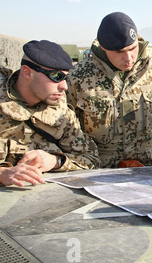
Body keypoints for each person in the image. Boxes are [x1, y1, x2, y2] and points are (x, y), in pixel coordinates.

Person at [66, 12, 152, 168]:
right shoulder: (79, 77)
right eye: (119, 52)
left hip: (149, 168)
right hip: (99, 170)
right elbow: (63, 122)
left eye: (133, 48)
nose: (128, 58)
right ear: (103, 47)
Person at [0, 40, 100, 187]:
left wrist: (55, 161)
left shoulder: (61, 114)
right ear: (27, 72)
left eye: (65, 77)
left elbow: (92, 159)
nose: (64, 86)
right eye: (55, 77)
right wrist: (2, 174)